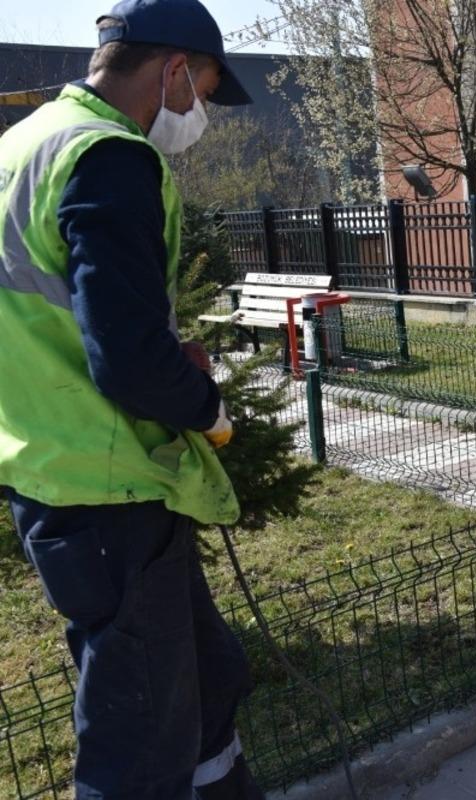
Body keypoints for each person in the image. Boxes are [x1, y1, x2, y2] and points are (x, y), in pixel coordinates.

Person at [0, 1, 261, 796]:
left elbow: (77, 318)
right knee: (138, 741)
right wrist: (206, 405)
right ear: (174, 70)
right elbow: (131, 362)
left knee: (206, 682)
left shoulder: (21, 145)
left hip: (55, 468)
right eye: (206, 90)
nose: (200, 112)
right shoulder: (107, 155)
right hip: (105, 483)